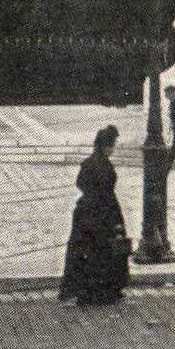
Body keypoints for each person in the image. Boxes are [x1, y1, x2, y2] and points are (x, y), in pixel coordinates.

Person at [58, 125, 131, 306]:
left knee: (84, 252)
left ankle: (84, 291)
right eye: (112, 144)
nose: (114, 148)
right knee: (106, 251)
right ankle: (105, 290)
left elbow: (80, 183)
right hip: (104, 212)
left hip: (85, 212)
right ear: (106, 146)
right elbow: (107, 191)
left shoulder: (89, 163)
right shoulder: (105, 166)